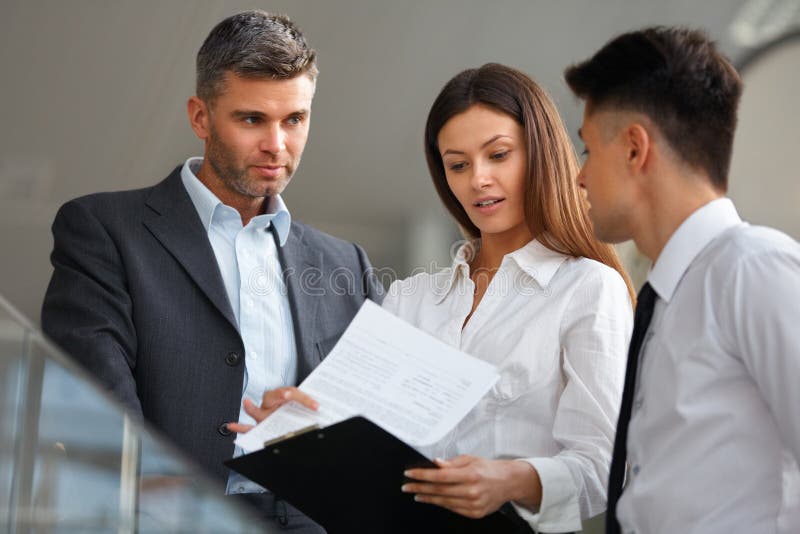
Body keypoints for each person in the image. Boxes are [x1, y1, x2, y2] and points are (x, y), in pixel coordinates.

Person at [41, 10, 381, 533]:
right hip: (168, 516)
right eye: (252, 119)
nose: (277, 144)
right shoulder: (103, 229)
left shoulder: (345, 264)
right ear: (200, 117)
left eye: (295, 119)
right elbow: (95, 397)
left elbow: (383, 417)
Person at [565, 26, 800, 533]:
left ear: (634, 149)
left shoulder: (752, 270)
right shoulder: (667, 300)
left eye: (586, 151)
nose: (579, 177)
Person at [385, 63, 634, 533]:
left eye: (498, 155)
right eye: (458, 165)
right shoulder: (409, 297)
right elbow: (370, 436)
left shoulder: (588, 289)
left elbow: (606, 463)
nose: (478, 179)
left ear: (540, 155)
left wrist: (512, 479)